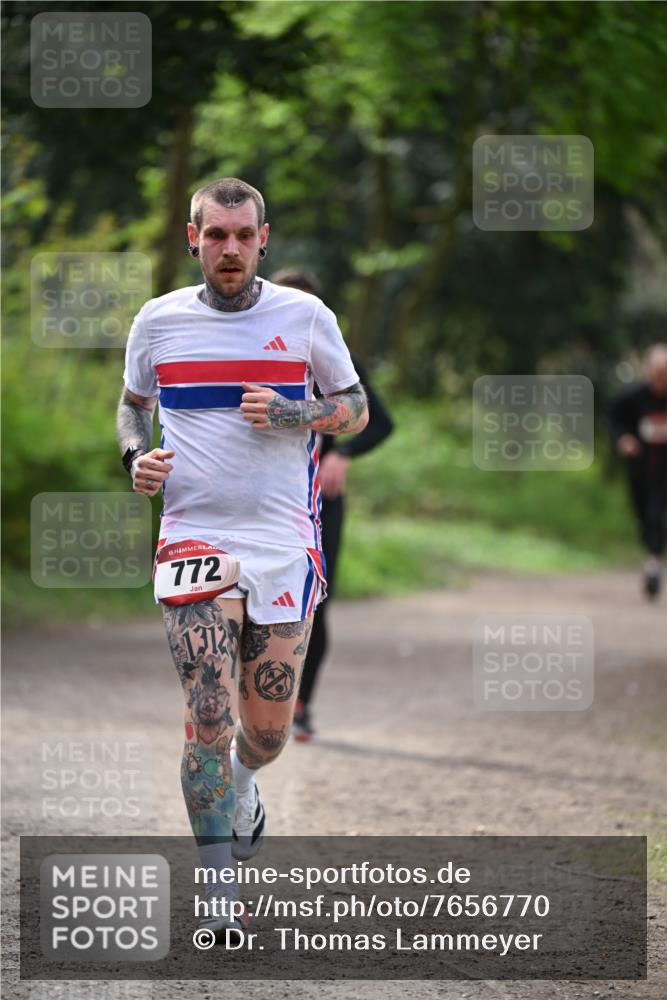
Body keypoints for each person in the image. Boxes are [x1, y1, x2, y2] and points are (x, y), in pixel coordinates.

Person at [116, 177, 368, 940]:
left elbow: (353, 408)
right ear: (192, 238)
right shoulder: (158, 320)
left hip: (283, 543)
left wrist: (294, 411)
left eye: (242, 235)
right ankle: (220, 894)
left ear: (264, 239)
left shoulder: (304, 317)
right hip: (194, 536)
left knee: (264, 733)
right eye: (214, 235)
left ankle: (243, 785)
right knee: (206, 714)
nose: (229, 248)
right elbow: (133, 404)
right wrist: (136, 456)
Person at [270, 268, 393, 741]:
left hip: (320, 502)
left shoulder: (337, 358)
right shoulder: (252, 352)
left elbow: (380, 422)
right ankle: (261, 702)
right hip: (266, 500)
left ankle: (301, 705)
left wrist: (341, 453)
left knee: (317, 601)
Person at [608, 343, 667, 598]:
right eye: (658, 372)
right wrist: (623, 439)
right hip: (642, 470)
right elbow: (612, 418)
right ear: (648, 370)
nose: (661, 377)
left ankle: (653, 563)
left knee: (656, 513)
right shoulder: (632, 397)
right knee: (644, 514)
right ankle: (652, 556)